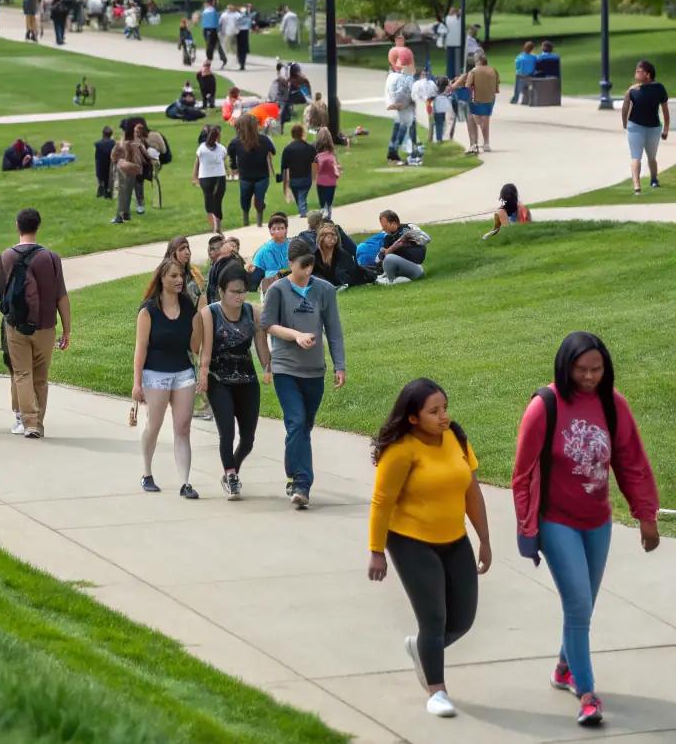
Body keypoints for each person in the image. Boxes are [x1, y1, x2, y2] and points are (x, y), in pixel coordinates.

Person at [512, 332, 660, 729]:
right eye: (582, 369)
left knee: (584, 605)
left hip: (598, 521)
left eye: (597, 369)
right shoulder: (544, 407)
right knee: (578, 605)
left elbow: (632, 462)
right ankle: (588, 693)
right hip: (556, 521)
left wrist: (646, 515)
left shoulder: (614, 406)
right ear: (565, 367)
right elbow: (523, 475)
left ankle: (564, 668)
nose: (590, 376)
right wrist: (527, 531)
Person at [368, 378, 491, 720]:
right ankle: (437, 691)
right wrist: (376, 550)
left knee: (463, 619)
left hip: (455, 539)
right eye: (434, 411)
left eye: (445, 408)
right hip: (410, 541)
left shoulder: (456, 437)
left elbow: (472, 492)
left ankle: (421, 648)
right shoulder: (402, 451)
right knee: (434, 618)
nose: (443, 417)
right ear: (412, 417)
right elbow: (381, 502)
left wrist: (485, 539)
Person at [261, 236, 345, 510]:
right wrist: (295, 335)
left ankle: (292, 473)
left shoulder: (325, 290)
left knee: (303, 428)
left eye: (311, 265)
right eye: (302, 266)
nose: (308, 271)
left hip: (314, 370)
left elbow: (333, 330)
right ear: (290, 264)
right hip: (286, 368)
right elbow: (268, 324)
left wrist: (339, 365)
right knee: (296, 422)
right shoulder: (277, 291)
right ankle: (302, 484)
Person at [0, 208, 71, 438]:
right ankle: (39, 422)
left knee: (22, 373)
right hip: (46, 325)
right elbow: (61, 296)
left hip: (16, 325)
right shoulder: (51, 258)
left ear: (18, 225)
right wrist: (66, 329)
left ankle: (29, 423)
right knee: (41, 376)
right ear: (38, 226)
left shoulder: (6, 256)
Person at [197, 260, 271, 498]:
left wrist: (267, 368)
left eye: (243, 291)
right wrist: (203, 375)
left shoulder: (252, 312)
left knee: (248, 439)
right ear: (221, 291)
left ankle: (233, 469)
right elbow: (205, 349)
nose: (240, 297)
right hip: (219, 379)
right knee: (226, 432)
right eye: (234, 292)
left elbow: (261, 344)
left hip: (247, 380)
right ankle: (230, 475)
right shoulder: (210, 313)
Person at [132, 258, 203, 497]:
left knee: (183, 427)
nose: (179, 280)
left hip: (183, 371)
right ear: (162, 279)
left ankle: (185, 482)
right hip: (155, 373)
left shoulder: (188, 306)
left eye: (181, 275)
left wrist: (199, 317)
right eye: (173, 276)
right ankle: (146, 472)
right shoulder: (148, 310)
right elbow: (140, 348)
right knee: (154, 424)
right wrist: (136, 383)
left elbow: (194, 347)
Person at [621, 59, 669, 194]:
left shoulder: (658, 89)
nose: (636, 73)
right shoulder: (633, 90)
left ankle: (654, 178)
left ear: (647, 74)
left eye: (639, 71)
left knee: (652, 156)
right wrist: (625, 123)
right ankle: (637, 186)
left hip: (653, 127)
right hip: (635, 126)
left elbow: (665, 110)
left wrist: (665, 128)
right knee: (636, 156)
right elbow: (625, 108)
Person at [226, 112, 276, 227]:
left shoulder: (235, 142)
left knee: (245, 200)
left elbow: (232, 159)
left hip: (245, 176)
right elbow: (273, 151)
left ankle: (246, 221)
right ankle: (258, 222)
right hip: (262, 175)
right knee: (259, 199)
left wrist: (234, 167)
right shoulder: (263, 139)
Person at [459, 50, 499, 155]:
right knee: (484, 118)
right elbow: (496, 86)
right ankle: (485, 142)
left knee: (472, 117)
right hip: (490, 97)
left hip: (475, 97)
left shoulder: (473, 71)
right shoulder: (492, 70)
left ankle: (474, 143)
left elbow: (467, 86)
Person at [375, 210, 429, 284]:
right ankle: (389, 278)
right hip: (402, 269)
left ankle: (391, 281)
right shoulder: (388, 238)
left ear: (393, 223)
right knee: (386, 258)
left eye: (385, 226)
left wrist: (409, 237)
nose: (383, 229)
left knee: (389, 258)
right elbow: (379, 259)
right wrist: (382, 254)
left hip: (416, 267)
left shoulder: (408, 228)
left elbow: (426, 239)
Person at [110, 126, 149, 224]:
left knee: (122, 195)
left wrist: (119, 162)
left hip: (125, 171)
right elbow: (143, 158)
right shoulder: (135, 145)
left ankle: (119, 216)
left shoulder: (123, 145)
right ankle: (126, 214)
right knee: (127, 194)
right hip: (133, 171)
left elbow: (113, 156)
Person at [193, 124, 227, 234]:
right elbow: (198, 162)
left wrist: (195, 177)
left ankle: (216, 228)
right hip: (212, 177)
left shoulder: (218, 149)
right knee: (214, 202)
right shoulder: (204, 149)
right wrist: (195, 177)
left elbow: (223, 161)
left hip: (213, 177)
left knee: (213, 201)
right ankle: (216, 228)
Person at [247, 212, 290, 298]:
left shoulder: (290, 245)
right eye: (274, 229)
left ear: (286, 230)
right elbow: (272, 273)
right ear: (270, 231)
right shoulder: (267, 249)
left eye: (281, 228)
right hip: (267, 280)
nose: (278, 231)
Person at [281, 123, 316, 216]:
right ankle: (303, 211)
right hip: (306, 177)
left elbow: (284, 165)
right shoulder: (309, 147)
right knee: (302, 197)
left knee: (299, 196)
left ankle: (303, 212)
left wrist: (282, 177)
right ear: (302, 133)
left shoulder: (288, 149)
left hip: (293, 178)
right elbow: (315, 161)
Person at [312, 126, 342, 217]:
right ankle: (328, 218)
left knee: (322, 204)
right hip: (331, 182)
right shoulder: (332, 153)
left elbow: (314, 170)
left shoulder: (317, 154)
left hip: (320, 181)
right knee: (329, 203)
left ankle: (323, 218)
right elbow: (337, 167)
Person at [200, 0, 226, 67]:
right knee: (212, 45)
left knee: (210, 45)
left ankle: (210, 59)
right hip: (211, 29)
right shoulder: (211, 10)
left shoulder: (207, 11)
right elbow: (216, 21)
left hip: (207, 29)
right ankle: (212, 59)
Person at [94, 125, 116, 199]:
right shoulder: (113, 142)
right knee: (109, 180)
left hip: (100, 165)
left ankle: (100, 192)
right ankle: (108, 193)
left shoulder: (98, 144)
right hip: (110, 164)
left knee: (101, 180)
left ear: (103, 133)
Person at [431, 77, 452, 143]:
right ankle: (439, 138)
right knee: (441, 124)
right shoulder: (446, 90)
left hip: (437, 110)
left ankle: (438, 138)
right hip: (442, 110)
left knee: (438, 124)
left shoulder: (436, 90)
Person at [236, 5, 251, 71]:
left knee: (239, 48)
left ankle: (241, 62)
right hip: (245, 32)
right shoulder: (248, 18)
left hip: (239, 32)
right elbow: (249, 25)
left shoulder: (238, 17)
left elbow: (236, 24)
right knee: (244, 48)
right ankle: (242, 63)